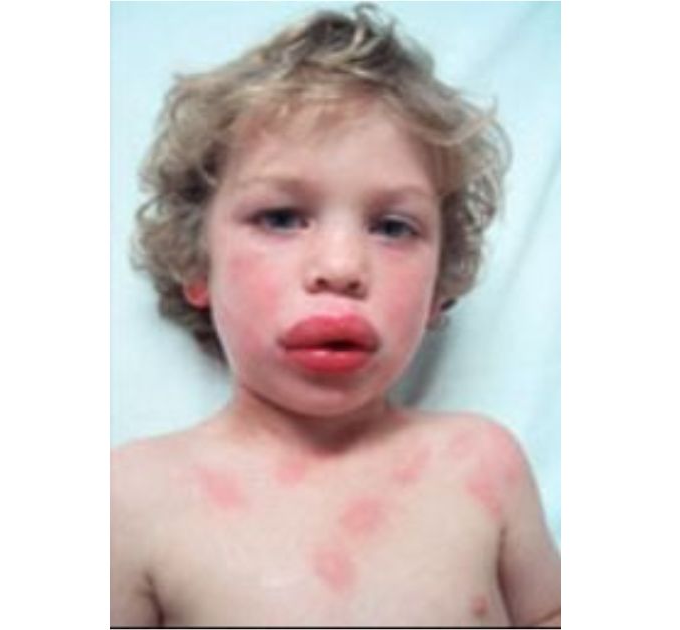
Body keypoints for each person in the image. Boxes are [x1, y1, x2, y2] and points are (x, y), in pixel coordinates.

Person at [111, 4, 560, 626]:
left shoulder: (482, 464)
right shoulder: (134, 497)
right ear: (197, 264)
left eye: (393, 227)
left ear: (439, 285)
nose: (342, 266)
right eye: (280, 218)